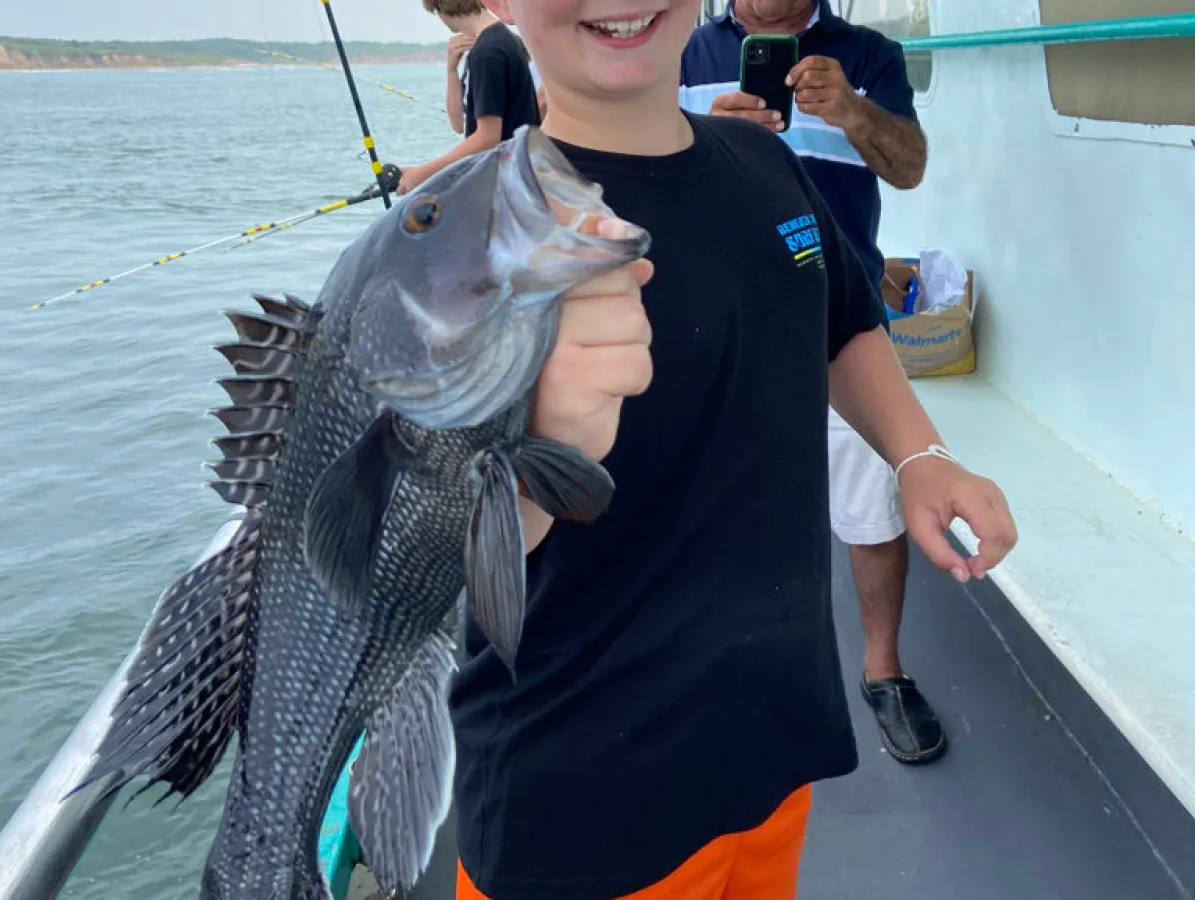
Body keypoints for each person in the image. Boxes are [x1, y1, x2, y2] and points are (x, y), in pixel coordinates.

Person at [424, 0, 1018, 898]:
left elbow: (843, 319)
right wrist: (543, 449)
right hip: (583, 793)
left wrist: (919, 455)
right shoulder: (460, 237)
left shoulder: (764, 161)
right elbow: (430, 544)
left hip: (771, 734)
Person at [679, 0, 946, 765]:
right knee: (719, 502)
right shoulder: (683, 51)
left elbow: (909, 167)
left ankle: (883, 669)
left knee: (872, 506)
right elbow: (634, 175)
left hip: (843, 318)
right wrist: (701, 138)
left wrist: (852, 109)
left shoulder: (869, 55)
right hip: (720, 318)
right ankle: (730, 660)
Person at [395, 0, 540, 195]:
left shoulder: (487, 53)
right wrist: (451, 70)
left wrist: (422, 173)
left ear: (442, 7)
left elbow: (487, 138)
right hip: (518, 176)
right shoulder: (497, 41)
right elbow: (458, 124)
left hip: (506, 184)